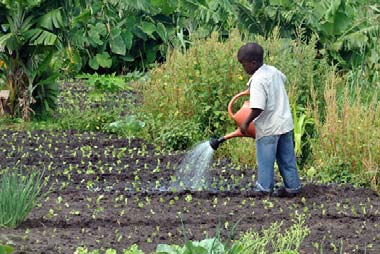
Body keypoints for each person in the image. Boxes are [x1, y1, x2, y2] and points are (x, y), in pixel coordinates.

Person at [238, 42, 301, 197]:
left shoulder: (258, 80)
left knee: (266, 162)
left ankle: (264, 189)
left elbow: (258, 107)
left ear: (253, 63)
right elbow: (282, 80)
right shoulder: (272, 70)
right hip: (284, 123)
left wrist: (246, 122)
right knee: (287, 160)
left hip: (269, 128)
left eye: (243, 64)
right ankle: (293, 188)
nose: (243, 68)